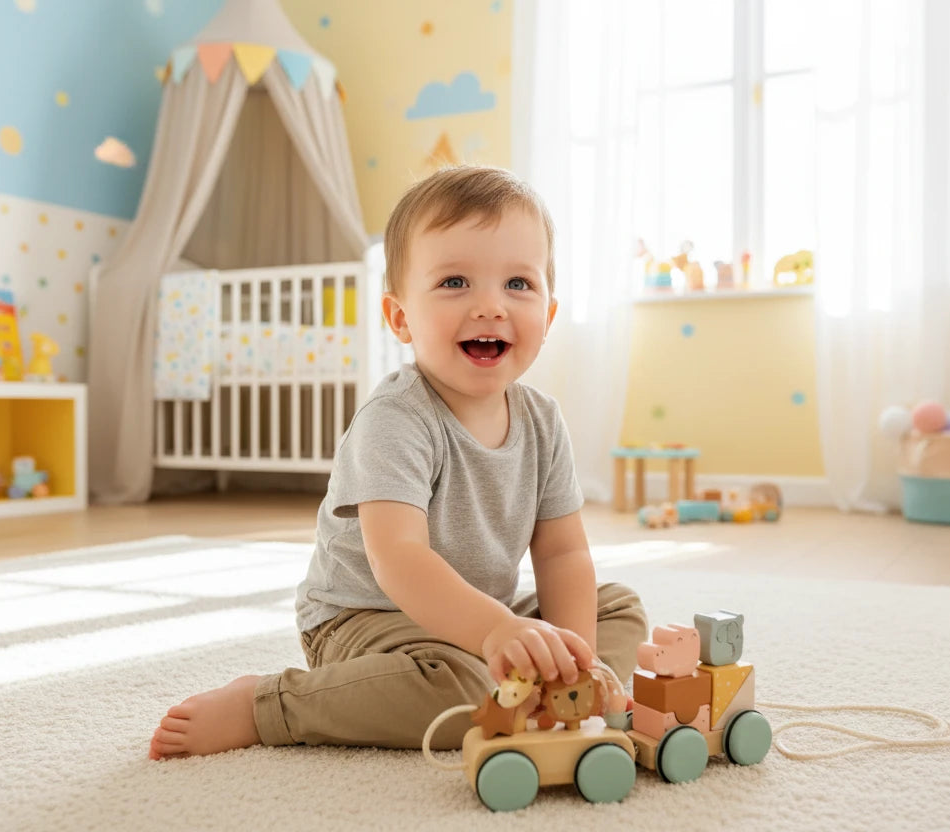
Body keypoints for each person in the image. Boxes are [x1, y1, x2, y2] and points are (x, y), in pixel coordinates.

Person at [149, 165, 647, 760]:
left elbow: (563, 553)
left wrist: (573, 660)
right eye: (455, 282)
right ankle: (269, 705)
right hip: (365, 619)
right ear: (400, 318)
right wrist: (495, 633)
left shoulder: (543, 420)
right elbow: (399, 559)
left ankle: (555, 693)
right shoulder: (398, 419)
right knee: (464, 691)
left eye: (518, 284)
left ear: (549, 312)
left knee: (615, 605)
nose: (490, 306)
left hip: (476, 615)